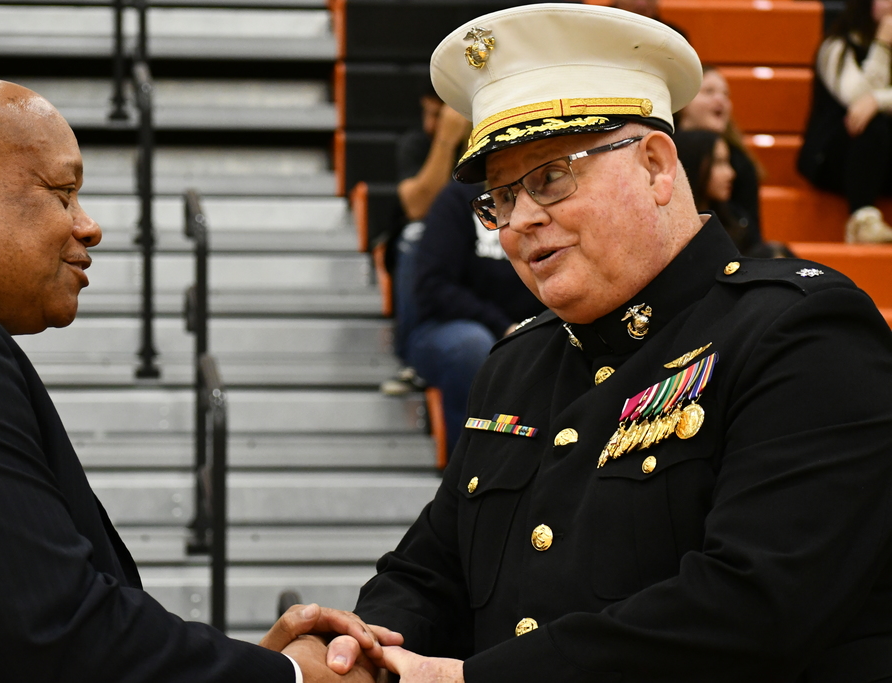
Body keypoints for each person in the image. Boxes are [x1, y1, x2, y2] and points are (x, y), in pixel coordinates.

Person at [315, 4, 892, 681]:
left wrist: (467, 679)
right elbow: (427, 570)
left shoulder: (802, 331)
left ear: (654, 165)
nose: (520, 220)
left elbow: (754, 609)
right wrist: (363, 651)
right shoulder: (517, 362)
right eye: (499, 197)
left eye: (551, 176)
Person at [0, 73, 401, 682]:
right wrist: (291, 677)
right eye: (63, 193)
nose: (88, 225)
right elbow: (53, 636)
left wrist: (253, 667)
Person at [403, 180, 545, 461]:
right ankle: (472, 468)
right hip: (447, 329)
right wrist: (504, 327)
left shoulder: (542, 197)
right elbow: (434, 287)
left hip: (529, 330)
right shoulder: (459, 199)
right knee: (474, 347)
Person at [381, 88, 472, 396]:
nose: (431, 125)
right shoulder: (419, 144)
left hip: (475, 253)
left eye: (440, 116)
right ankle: (413, 356)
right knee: (417, 236)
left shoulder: (486, 146)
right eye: (427, 114)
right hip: (424, 255)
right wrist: (446, 142)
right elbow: (419, 207)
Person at [798, 0, 892, 243]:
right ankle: (863, 220)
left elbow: (871, 100)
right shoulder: (836, 46)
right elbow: (858, 102)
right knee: (873, 124)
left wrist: (878, 99)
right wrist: (883, 46)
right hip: (836, 158)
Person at [677, 65, 763, 246]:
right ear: (683, 101)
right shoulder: (661, 146)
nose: (720, 100)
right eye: (709, 91)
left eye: (726, 95)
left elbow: (753, 238)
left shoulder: (741, 162)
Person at [673, 128, 761, 252]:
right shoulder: (669, 228)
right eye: (719, 163)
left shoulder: (738, 221)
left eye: (727, 162)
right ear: (693, 165)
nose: (731, 173)